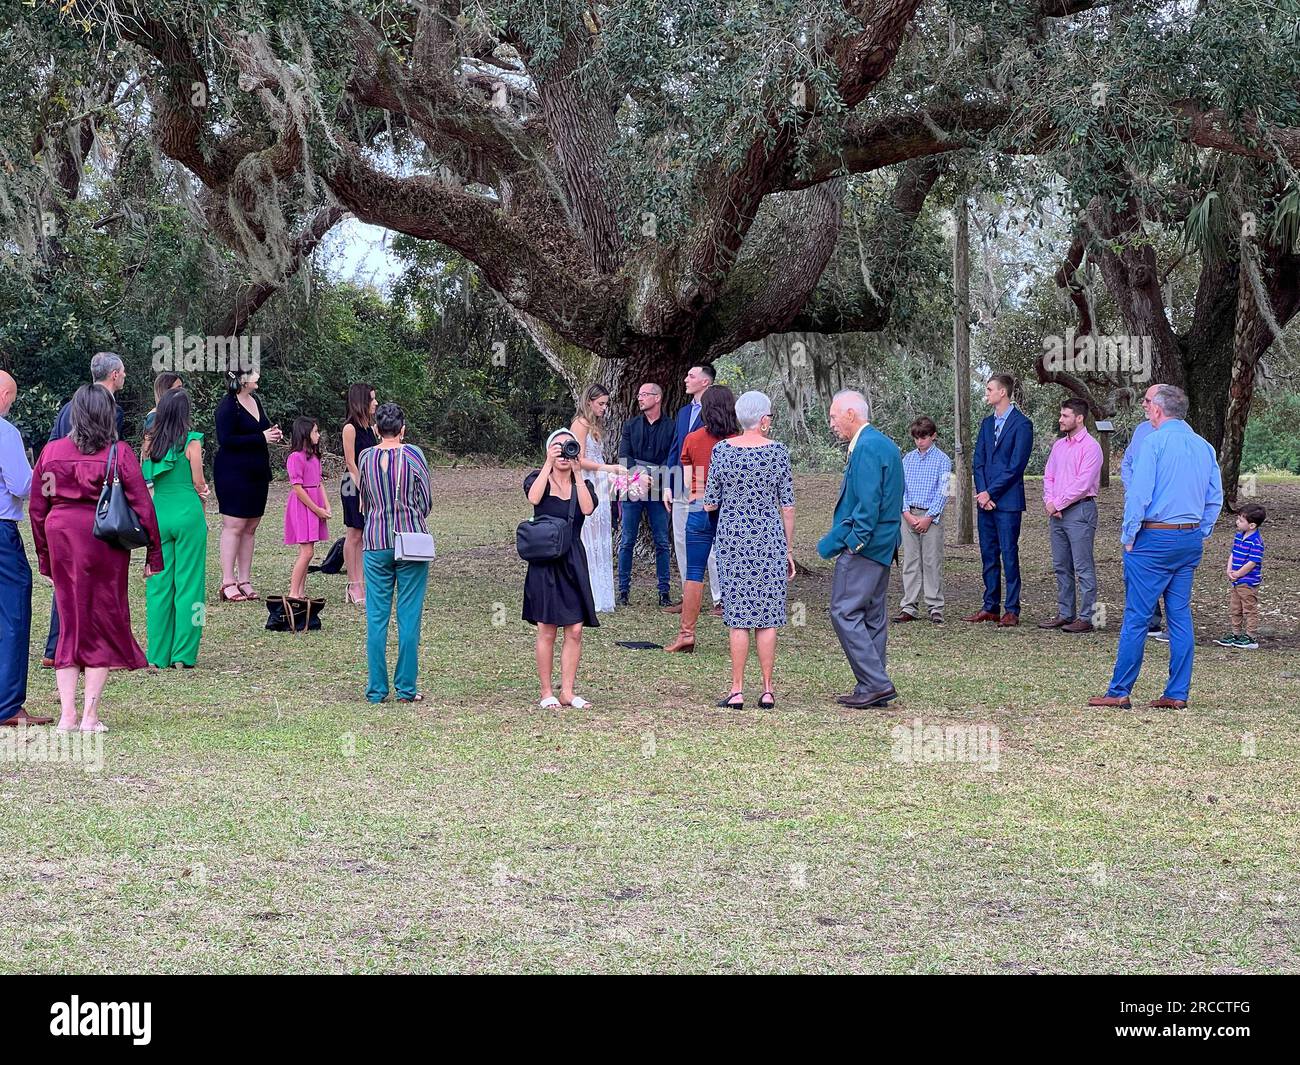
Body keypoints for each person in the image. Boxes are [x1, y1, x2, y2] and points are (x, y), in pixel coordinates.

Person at [29, 385, 163, 732]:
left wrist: (45, 557)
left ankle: (67, 715)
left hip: (62, 538)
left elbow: (38, 507)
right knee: (101, 621)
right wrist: (153, 553)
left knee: (70, 623)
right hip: (103, 539)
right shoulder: (118, 453)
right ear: (107, 415)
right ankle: (88, 715)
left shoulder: (51, 452)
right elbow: (143, 505)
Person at [1088, 385, 1222, 710]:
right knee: (1179, 615)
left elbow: (1139, 494)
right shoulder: (1204, 447)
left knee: (1136, 616)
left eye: (1149, 407)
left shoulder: (1153, 443)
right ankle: (1177, 693)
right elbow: (1214, 497)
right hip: (1188, 539)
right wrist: (1199, 531)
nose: (1146, 411)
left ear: (1159, 411)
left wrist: (1129, 534)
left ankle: (1119, 690)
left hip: (1153, 538)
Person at [703, 391, 795, 710]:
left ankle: (737, 689)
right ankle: (768, 689)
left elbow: (711, 500)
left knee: (738, 617)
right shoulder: (778, 452)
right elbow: (788, 505)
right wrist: (788, 547)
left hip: (733, 538)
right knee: (767, 617)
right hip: (769, 538)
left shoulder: (722, 451)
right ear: (764, 419)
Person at [41, 352, 127, 668]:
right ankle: (93, 649)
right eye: (123, 372)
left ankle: (55, 648)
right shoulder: (109, 410)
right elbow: (108, 456)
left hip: (61, 502)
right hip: (92, 504)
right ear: (115, 375)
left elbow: (49, 453)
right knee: (96, 579)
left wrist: (52, 492)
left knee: (67, 580)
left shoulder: (67, 408)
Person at [819, 390, 904, 709]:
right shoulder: (884, 444)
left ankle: (878, 683)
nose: (831, 423)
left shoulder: (867, 446)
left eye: (833, 416)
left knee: (843, 611)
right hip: (884, 546)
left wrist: (853, 543)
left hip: (866, 547)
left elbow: (868, 506)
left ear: (851, 414)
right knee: (872, 616)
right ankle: (871, 685)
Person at [357, 402, 432, 704]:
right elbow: (426, 500)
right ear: (403, 429)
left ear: (376, 428)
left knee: (376, 617)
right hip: (411, 538)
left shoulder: (365, 457)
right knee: (409, 616)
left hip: (375, 540)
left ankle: (376, 690)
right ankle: (406, 689)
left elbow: (364, 499)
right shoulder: (413, 454)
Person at [524, 430, 599, 709]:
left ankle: (567, 690)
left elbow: (588, 509)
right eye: (557, 446)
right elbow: (533, 499)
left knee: (575, 628)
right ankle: (546, 692)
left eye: (568, 447)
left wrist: (578, 472)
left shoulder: (583, 483)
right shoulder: (537, 479)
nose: (563, 453)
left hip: (572, 560)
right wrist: (547, 463)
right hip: (545, 562)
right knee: (547, 628)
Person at [665, 385, 740, 653]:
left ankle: (687, 633)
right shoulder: (739, 441)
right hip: (732, 511)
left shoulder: (693, 439)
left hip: (699, 507)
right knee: (735, 568)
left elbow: (689, 483)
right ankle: (740, 630)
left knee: (694, 572)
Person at [141, 387, 209, 669]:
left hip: (159, 514)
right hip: (188, 513)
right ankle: (184, 654)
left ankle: (157, 654)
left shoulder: (149, 444)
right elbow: (198, 481)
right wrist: (204, 493)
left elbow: (145, 480)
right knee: (191, 584)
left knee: (158, 585)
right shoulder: (192, 442)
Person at [0, 370, 52, 727]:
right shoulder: (5, 431)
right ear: (4, 395)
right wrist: (45, 475)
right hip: (1, 531)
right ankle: (7, 705)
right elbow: (21, 484)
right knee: (13, 612)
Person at [964, 373, 1033, 626]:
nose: (987, 392)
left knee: (1009, 554)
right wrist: (983, 494)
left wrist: (991, 493)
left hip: (1008, 502)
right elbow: (978, 461)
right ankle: (990, 605)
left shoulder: (1022, 425)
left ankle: (1011, 609)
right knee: (988, 554)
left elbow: (1016, 466)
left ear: (1002, 392)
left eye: (990, 389)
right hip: (985, 502)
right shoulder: (985, 424)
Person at [213, 369, 281, 602]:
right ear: (241, 379)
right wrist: (261, 438)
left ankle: (244, 579)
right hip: (233, 473)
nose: (258, 375)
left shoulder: (255, 400)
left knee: (251, 526)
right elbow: (226, 440)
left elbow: (262, 428)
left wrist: (272, 433)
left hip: (257, 472)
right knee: (234, 525)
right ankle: (227, 581)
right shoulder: (228, 407)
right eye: (253, 373)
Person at [1038, 399, 1103, 634]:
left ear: (1079, 418)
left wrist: (1058, 502)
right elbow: (1049, 476)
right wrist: (1049, 502)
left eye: (1065, 416)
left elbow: (1083, 484)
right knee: (1061, 565)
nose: (1060, 419)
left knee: (1083, 566)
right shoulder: (1059, 446)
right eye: (1060, 415)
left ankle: (1088, 617)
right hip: (1056, 513)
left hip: (1080, 510)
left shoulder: (1091, 447)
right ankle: (1066, 613)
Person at [665, 363, 721, 615]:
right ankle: (690, 599)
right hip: (680, 480)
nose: (686, 379)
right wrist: (668, 483)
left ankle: (720, 599)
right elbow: (675, 448)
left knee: (710, 541)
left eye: (691, 376)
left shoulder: (717, 411)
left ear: (705, 382)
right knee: (680, 538)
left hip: (706, 482)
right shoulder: (683, 412)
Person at [616, 382, 674, 607]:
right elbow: (624, 456)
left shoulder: (671, 427)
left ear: (657, 398)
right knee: (627, 539)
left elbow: (672, 457)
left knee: (661, 540)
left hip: (660, 488)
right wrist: (638, 476)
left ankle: (664, 592)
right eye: (638, 394)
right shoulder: (630, 425)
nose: (639, 398)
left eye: (644, 394)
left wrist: (654, 480)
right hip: (631, 484)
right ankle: (623, 591)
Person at [569, 384, 623, 613]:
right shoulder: (580, 424)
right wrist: (607, 467)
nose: (604, 408)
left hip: (600, 482)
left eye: (606, 404)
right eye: (600, 403)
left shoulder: (594, 426)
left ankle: (601, 595)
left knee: (601, 534)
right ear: (589, 402)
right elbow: (577, 459)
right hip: (588, 481)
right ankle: (586, 593)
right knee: (588, 535)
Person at [1122, 383, 1169, 641]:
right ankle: (1147, 623)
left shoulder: (1176, 437)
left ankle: (1168, 626)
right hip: (1135, 510)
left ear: (1160, 405)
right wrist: (1133, 490)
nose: (1143, 404)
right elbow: (1128, 462)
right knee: (1133, 571)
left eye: (1148, 400)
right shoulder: (1141, 431)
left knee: (1164, 575)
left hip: (1160, 519)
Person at [894, 416, 951, 624]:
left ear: (933, 436)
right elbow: (901, 488)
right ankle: (909, 606)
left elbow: (944, 491)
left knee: (931, 561)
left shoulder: (943, 460)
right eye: (917, 438)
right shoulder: (907, 459)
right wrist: (907, 513)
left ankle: (935, 606)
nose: (920, 441)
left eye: (924, 437)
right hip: (909, 514)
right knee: (910, 560)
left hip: (931, 517)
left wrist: (929, 516)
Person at [340, 383, 378, 606]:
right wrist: (362, 490)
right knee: (354, 533)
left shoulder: (370, 428)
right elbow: (350, 462)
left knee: (364, 534)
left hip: (368, 484)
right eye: (371, 399)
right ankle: (353, 585)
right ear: (361, 402)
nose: (375, 403)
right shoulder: (350, 428)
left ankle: (361, 582)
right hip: (352, 484)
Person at [285, 417, 331, 599]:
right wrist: (316, 509)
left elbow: (319, 483)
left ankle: (301, 592)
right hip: (303, 507)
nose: (318, 435)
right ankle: (293, 593)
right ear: (305, 434)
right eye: (315, 432)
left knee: (308, 551)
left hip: (314, 505)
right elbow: (297, 488)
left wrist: (326, 505)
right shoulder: (295, 458)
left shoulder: (314, 457)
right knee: (307, 551)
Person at [1217, 503, 1266, 650]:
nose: (1237, 522)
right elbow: (1233, 553)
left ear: (1252, 525)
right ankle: (1236, 633)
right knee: (1235, 607)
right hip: (1236, 581)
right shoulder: (1239, 536)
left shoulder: (1256, 541)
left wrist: (1238, 573)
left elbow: (1252, 562)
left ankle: (1251, 636)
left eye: (1240, 520)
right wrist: (1229, 569)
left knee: (1249, 608)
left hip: (1248, 581)